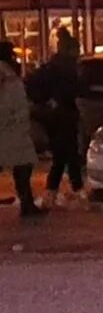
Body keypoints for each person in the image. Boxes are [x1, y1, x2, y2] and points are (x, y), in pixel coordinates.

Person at [24, 29, 88, 211]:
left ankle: (54, 193)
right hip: (61, 117)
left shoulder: (58, 67)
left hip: (61, 116)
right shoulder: (61, 69)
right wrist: (48, 101)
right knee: (68, 154)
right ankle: (75, 191)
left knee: (63, 156)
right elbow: (73, 90)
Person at [0, 44, 39, 217]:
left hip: (16, 128)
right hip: (8, 127)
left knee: (23, 165)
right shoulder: (3, 72)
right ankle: (27, 203)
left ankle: (27, 203)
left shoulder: (8, 72)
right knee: (22, 165)